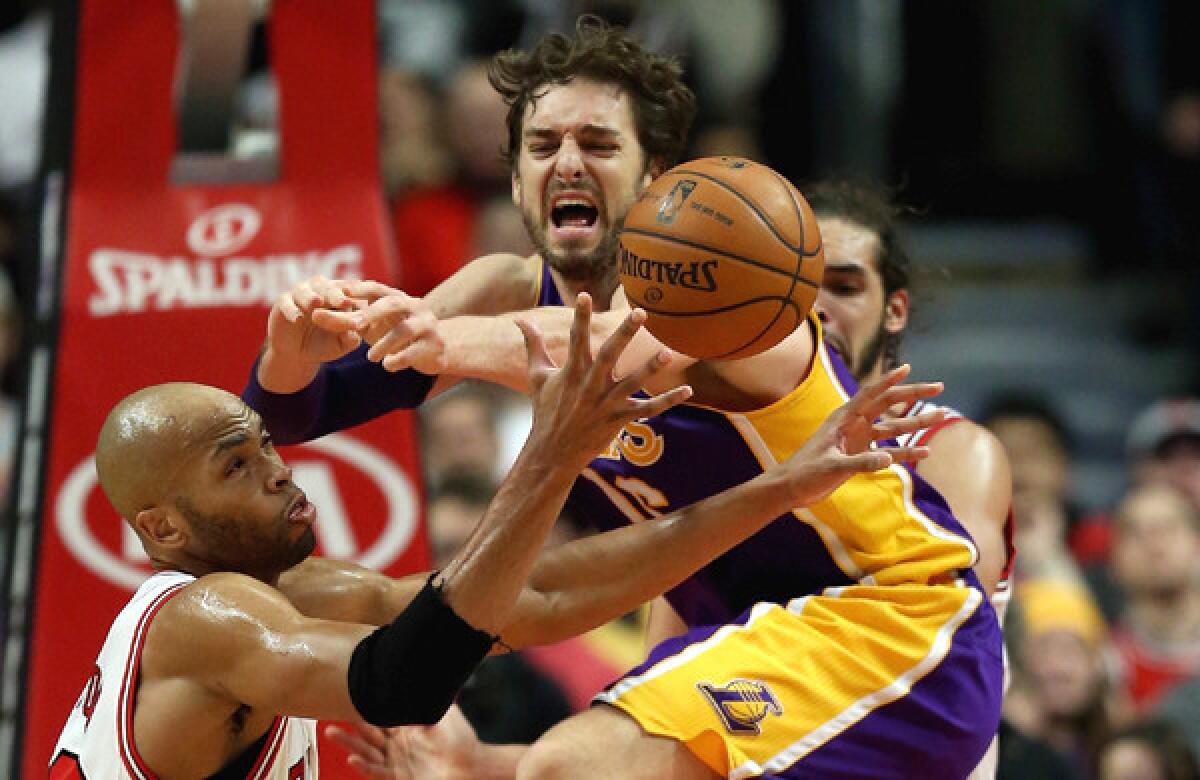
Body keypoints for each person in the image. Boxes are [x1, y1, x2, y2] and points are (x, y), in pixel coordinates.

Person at [245, 18, 1003, 778]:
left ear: (657, 179)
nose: (567, 163)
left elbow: (604, 349)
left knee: (572, 767)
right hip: (757, 643)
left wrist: (438, 341)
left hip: (892, 619)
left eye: (598, 145)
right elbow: (298, 413)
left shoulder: (734, 302)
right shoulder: (500, 292)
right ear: (515, 182)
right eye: (543, 147)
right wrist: (288, 350)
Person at [53, 299, 934, 777]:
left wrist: (780, 487)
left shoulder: (297, 593)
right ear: (160, 526)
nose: (282, 473)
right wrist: (548, 459)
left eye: (268, 448)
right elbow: (402, 681)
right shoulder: (206, 618)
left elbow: (538, 598)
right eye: (234, 467)